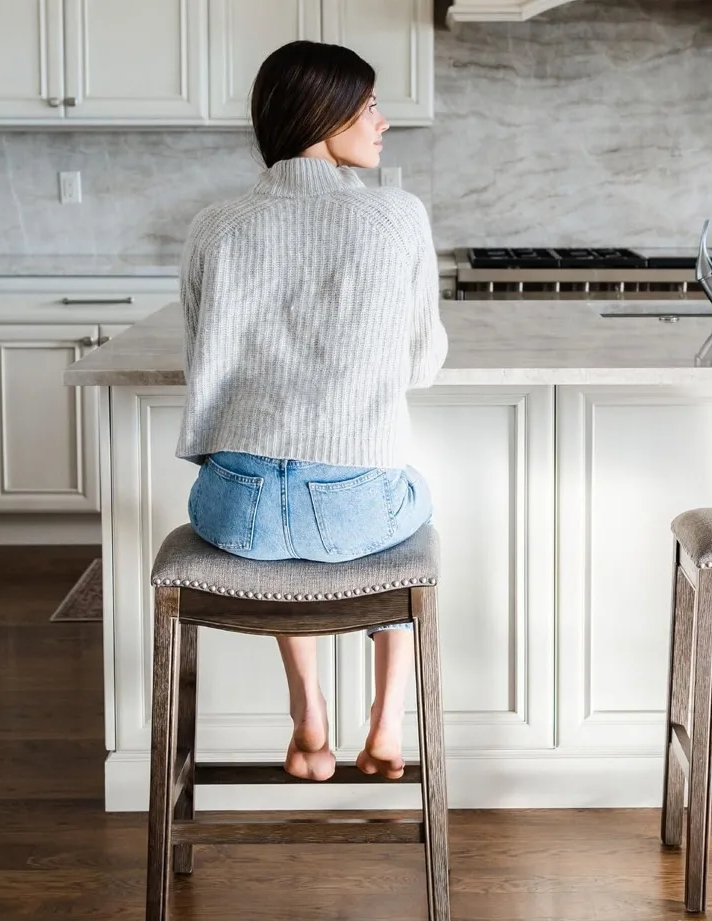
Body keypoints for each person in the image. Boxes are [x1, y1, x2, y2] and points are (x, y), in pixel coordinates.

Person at [175, 39, 448, 783]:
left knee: (287, 522)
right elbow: (421, 365)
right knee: (407, 505)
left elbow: (202, 357)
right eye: (367, 107)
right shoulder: (396, 218)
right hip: (352, 514)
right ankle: (387, 727)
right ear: (321, 116)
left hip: (233, 512)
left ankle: (310, 720)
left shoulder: (215, 225)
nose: (383, 121)